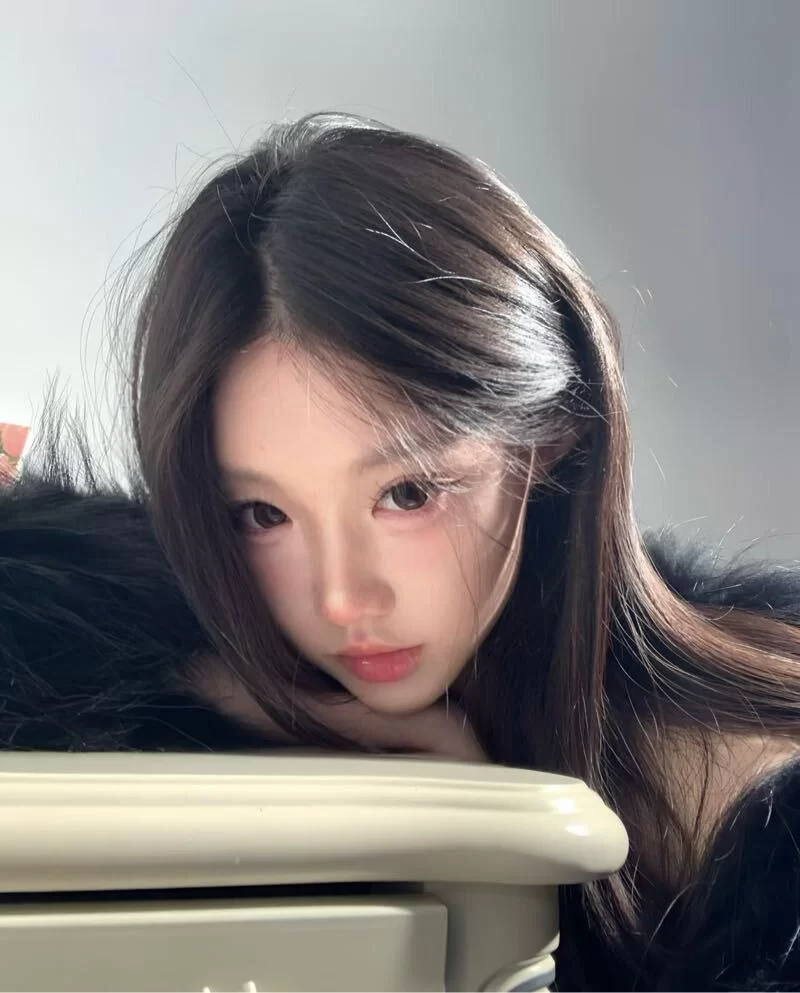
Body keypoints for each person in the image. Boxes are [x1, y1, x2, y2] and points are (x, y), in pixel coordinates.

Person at [3, 112, 800, 989]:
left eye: (409, 493)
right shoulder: (228, 631)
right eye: (262, 513)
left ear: (551, 438)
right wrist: (292, 706)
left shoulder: (750, 803)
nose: (342, 598)